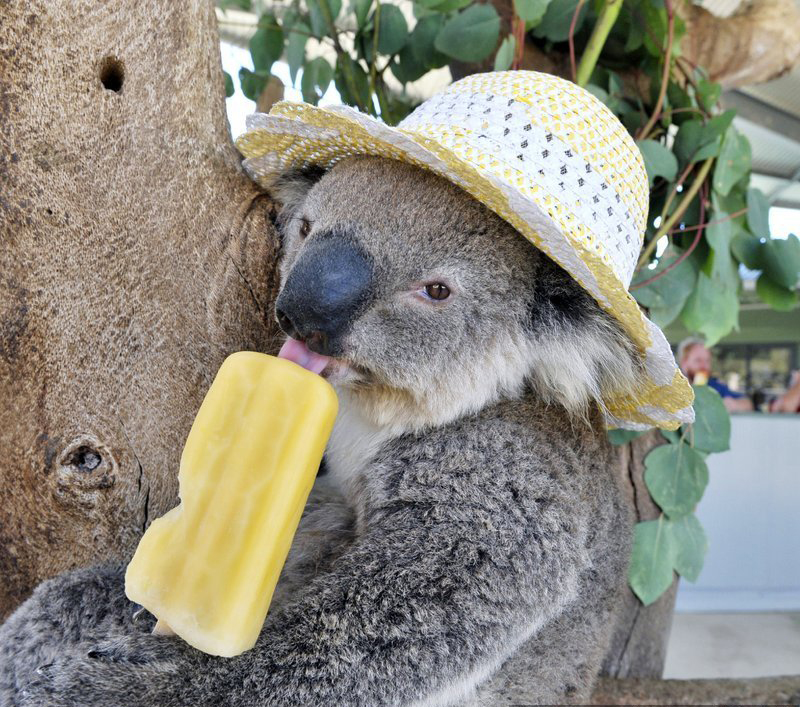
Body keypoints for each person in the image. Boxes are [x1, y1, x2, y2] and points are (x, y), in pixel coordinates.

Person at [677, 338, 754, 413]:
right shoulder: (672, 387)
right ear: (684, 362)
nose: (704, 366)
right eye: (698, 360)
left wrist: (734, 404)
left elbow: (748, 404)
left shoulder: (714, 387)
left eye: (707, 360)